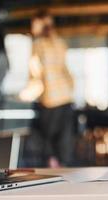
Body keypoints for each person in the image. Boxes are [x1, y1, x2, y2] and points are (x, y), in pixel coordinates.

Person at [19, 11, 74, 168]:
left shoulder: (38, 45)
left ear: (40, 25)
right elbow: (66, 71)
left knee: (48, 148)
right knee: (63, 146)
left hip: (50, 100)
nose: (32, 27)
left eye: (33, 24)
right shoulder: (60, 43)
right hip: (66, 97)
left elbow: (36, 78)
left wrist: (21, 97)